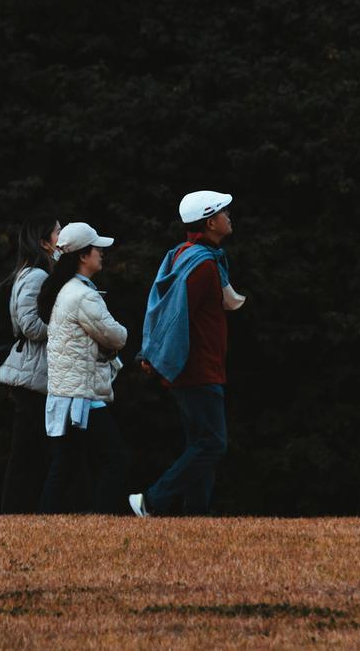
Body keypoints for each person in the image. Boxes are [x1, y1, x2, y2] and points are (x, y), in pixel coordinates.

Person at [130, 190, 247, 517]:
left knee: (199, 444)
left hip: (195, 369)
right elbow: (173, 313)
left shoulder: (187, 255)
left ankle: (196, 515)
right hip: (196, 369)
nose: (229, 217)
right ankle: (151, 501)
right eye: (224, 212)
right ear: (211, 222)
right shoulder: (201, 266)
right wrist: (153, 353)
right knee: (213, 444)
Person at [37, 221, 129, 514]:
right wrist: (114, 343)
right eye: (97, 249)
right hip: (83, 397)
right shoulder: (83, 295)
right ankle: (100, 518)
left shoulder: (64, 291)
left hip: (65, 393)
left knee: (65, 464)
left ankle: (44, 518)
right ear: (82, 256)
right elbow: (117, 335)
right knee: (116, 459)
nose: (101, 253)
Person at [0, 216, 60, 513]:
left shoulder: (35, 273)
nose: (63, 234)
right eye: (58, 231)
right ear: (44, 241)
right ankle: (16, 511)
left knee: (30, 452)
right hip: (33, 375)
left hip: (32, 373)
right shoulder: (36, 276)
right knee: (28, 453)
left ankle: (21, 510)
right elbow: (31, 326)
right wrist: (67, 326)